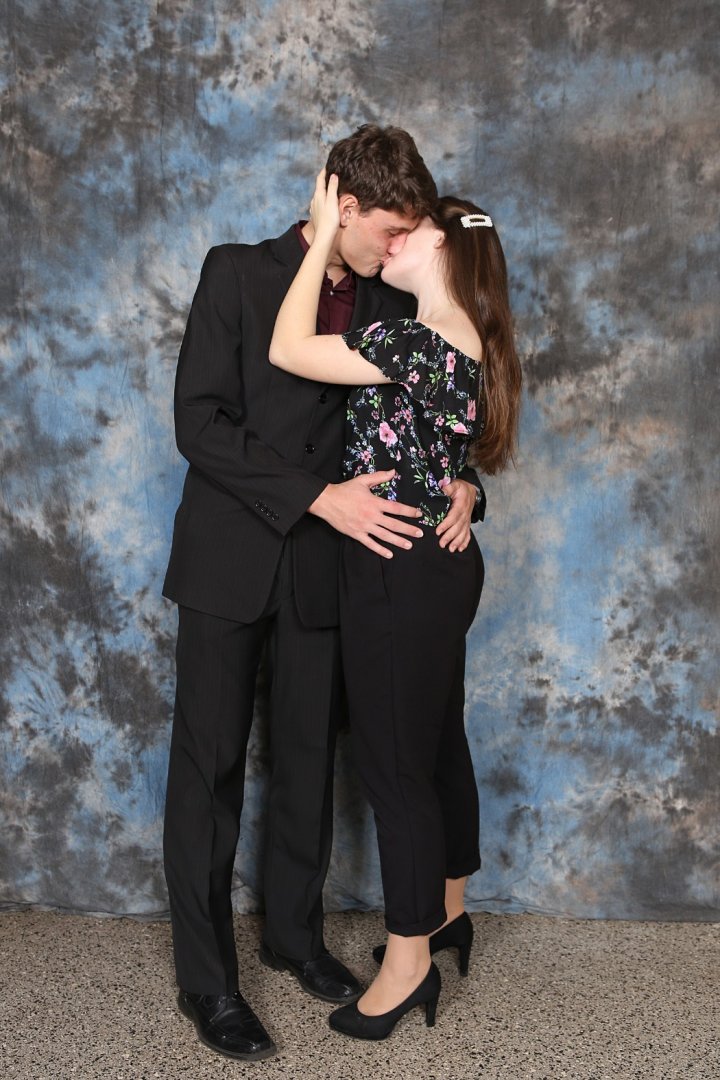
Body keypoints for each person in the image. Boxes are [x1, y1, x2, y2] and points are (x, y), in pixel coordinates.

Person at [161, 125, 484, 1062]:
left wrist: (466, 486)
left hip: (331, 569)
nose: (397, 245)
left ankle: (295, 941)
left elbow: (431, 421)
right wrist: (317, 496)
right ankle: (208, 982)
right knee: (210, 770)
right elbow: (199, 424)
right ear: (343, 207)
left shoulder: (390, 299)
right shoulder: (235, 271)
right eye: (387, 228)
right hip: (230, 560)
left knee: (308, 765)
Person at [269, 171, 521, 1040]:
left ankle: (408, 964)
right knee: (437, 741)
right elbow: (441, 452)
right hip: (441, 563)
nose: (394, 239)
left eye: (412, 230)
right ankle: (447, 910)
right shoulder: (470, 338)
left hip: (395, 566)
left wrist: (316, 234)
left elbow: (290, 349)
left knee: (393, 768)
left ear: (445, 243)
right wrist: (464, 487)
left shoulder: (412, 339)